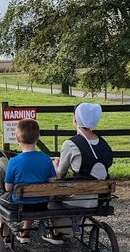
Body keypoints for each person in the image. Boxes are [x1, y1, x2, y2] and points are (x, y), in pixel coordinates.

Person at [47, 103, 113, 241]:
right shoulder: (104, 143)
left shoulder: (71, 144)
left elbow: (60, 175)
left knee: (50, 196)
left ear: (75, 120)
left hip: (79, 199)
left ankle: (59, 232)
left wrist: (56, 164)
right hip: (100, 198)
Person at [1, 118, 57, 244]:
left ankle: (5, 235)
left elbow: (8, 188)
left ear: (16, 138)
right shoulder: (46, 159)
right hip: (42, 203)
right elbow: (51, 181)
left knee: (0, 201)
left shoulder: (13, 162)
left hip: (21, 205)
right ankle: (25, 231)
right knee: (32, 195)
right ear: (38, 138)